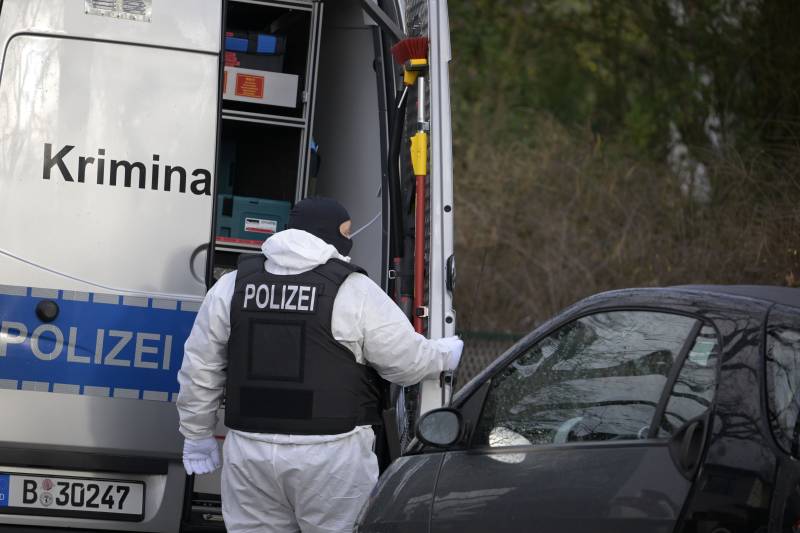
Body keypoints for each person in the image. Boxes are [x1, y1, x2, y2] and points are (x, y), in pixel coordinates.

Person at [176, 196, 463, 533]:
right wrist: (444, 354)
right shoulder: (353, 290)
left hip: (249, 453)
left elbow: (201, 367)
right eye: (346, 232)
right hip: (331, 457)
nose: (349, 241)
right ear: (327, 233)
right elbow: (405, 363)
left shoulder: (232, 285)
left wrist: (197, 434)